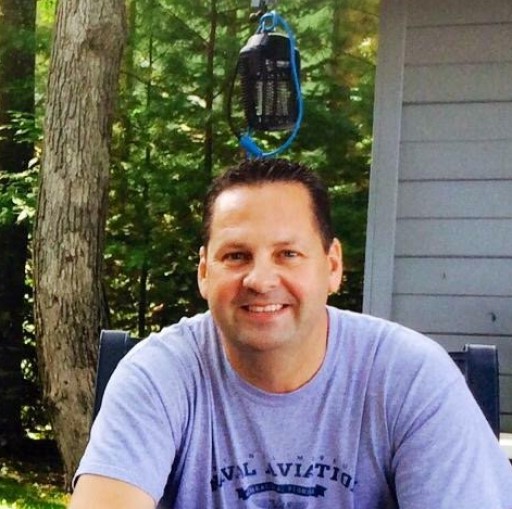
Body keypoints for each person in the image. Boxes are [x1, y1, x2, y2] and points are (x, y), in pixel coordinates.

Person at [69, 158, 512, 509]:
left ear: (332, 265)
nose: (260, 278)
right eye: (237, 255)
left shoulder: (412, 377)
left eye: (288, 253)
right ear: (204, 272)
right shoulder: (157, 376)